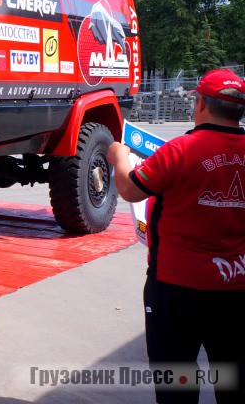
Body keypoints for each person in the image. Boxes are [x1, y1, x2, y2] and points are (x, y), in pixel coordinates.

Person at [108, 68, 245, 404]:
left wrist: (119, 157)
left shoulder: (182, 150)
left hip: (176, 288)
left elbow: (130, 189)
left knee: (178, 382)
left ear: (199, 104)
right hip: (236, 286)